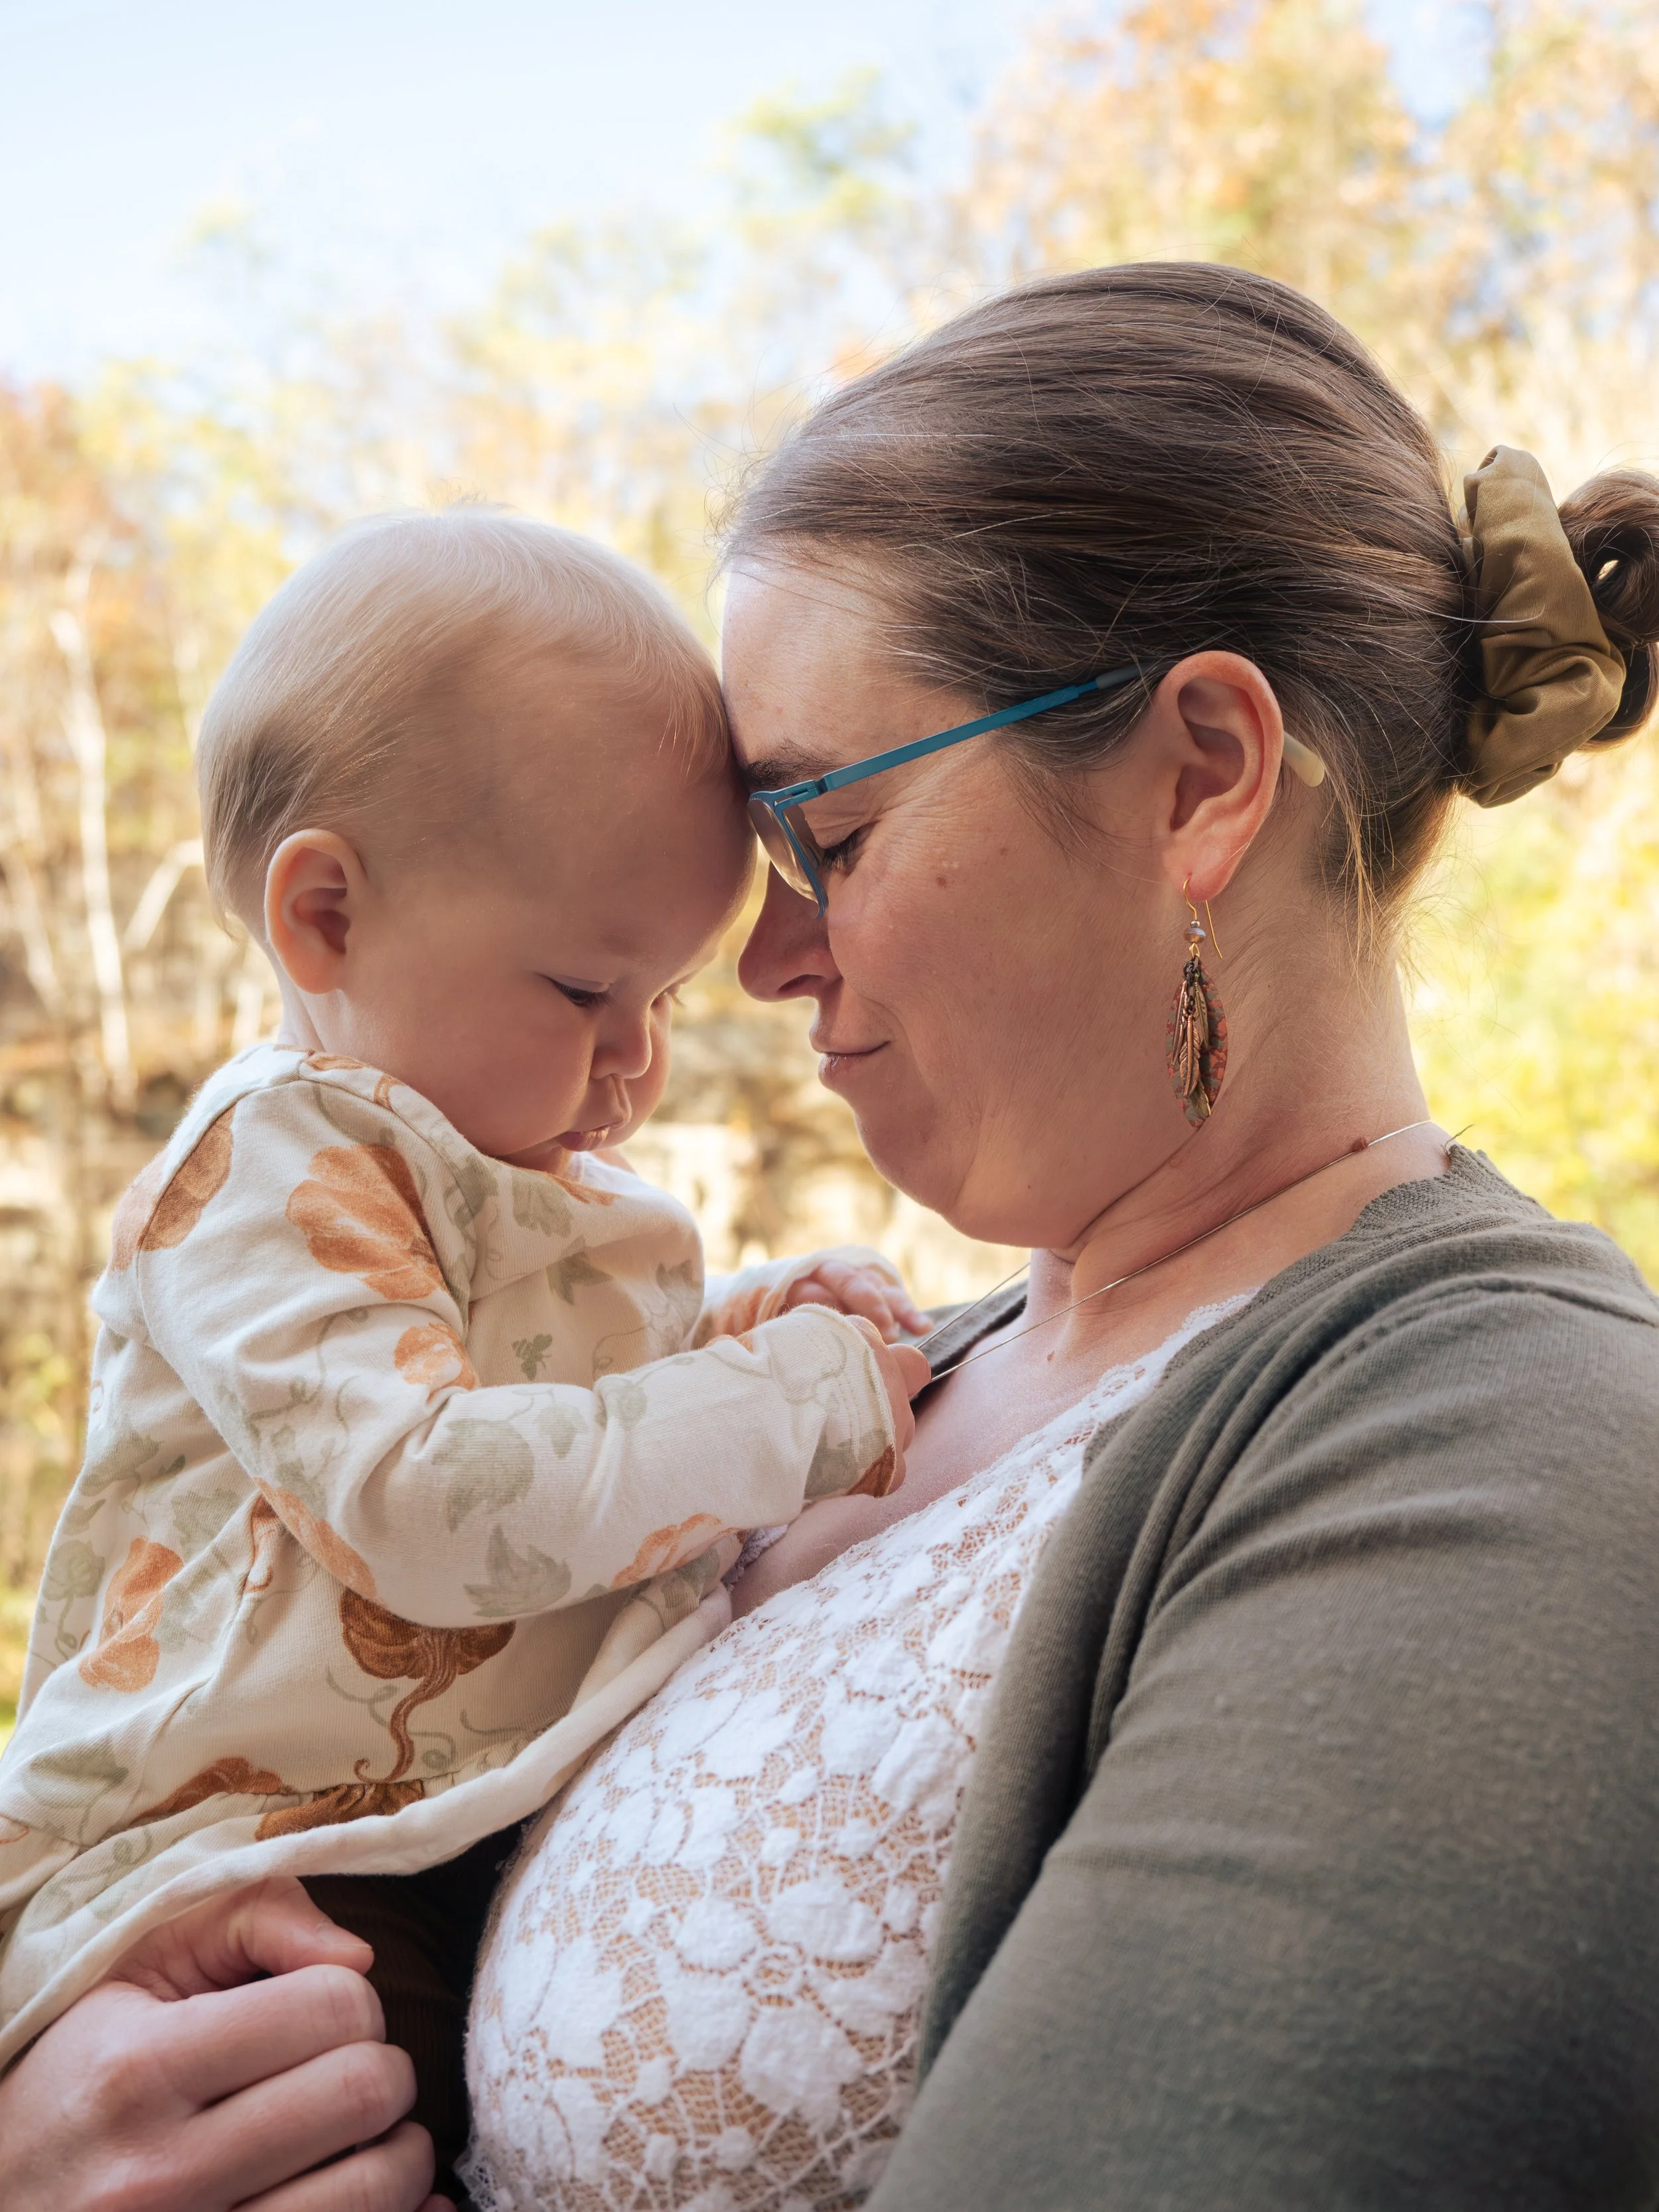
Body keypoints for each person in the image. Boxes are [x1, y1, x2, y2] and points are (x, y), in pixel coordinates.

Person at [16, 259, 1659, 2210]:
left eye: (829, 837)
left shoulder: (1499, 1454)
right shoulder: (874, 1372)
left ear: (1198, 777)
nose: (766, 962)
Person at [0, 511, 928, 2203]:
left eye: (662, 999)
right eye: (589, 986)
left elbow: (574, 1408)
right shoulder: (275, 1159)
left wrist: (763, 1325)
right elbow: (426, 1497)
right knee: (355, 2119)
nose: (636, 1062)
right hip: (229, 1874)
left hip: (415, 1830)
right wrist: (780, 1404)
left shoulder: (507, 1177)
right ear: (326, 918)